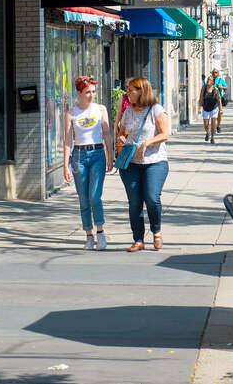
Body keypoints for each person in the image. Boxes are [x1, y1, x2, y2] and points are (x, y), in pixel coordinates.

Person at [116, 77, 170, 252]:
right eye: (127, 89)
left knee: (152, 198)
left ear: (141, 91)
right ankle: (138, 239)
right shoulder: (128, 111)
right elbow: (123, 132)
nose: (127, 93)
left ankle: (157, 231)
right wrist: (121, 138)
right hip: (131, 163)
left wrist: (147, 143)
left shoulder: (156, 109)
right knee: (134, 202)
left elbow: (165, 134)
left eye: (131, 89)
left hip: (155, 162)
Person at [63, 75, 114, 250]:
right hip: (78, 156)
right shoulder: (71, 114)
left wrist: (110, 154)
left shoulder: (100, 109)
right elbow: (68, 140)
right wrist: (65, 165)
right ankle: (88, 235)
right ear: (79, 93)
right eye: (87, 92)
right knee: (83, 199)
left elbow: (107, 133)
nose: (91, 95)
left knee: (94, 196)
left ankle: (100, 232)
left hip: (98, 153)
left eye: (93, 92)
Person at [199, 77, 221, 144]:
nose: (208, 81)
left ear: (213, 82)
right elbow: (201, 98)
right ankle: (207, 132)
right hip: (206, 107)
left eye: (210, 80)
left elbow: (219, 99)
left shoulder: (215, 89)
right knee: (206, 124)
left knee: (213, 123)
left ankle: (212, 137)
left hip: (214, 108)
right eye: (208, 79)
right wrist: (200, 107)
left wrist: (221, 109)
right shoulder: (204, 88)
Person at [211, 69, 228, 133]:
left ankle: (218, 126)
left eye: (215, 72)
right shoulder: (210, 80)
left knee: (219, 114)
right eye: (213, 72)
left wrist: (221, 87)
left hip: (218, 99)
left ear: (218, 73)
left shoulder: (221, 80)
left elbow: (226, 87)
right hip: (211, 99)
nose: (214, 74)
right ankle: (213, 126)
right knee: (212, 114)